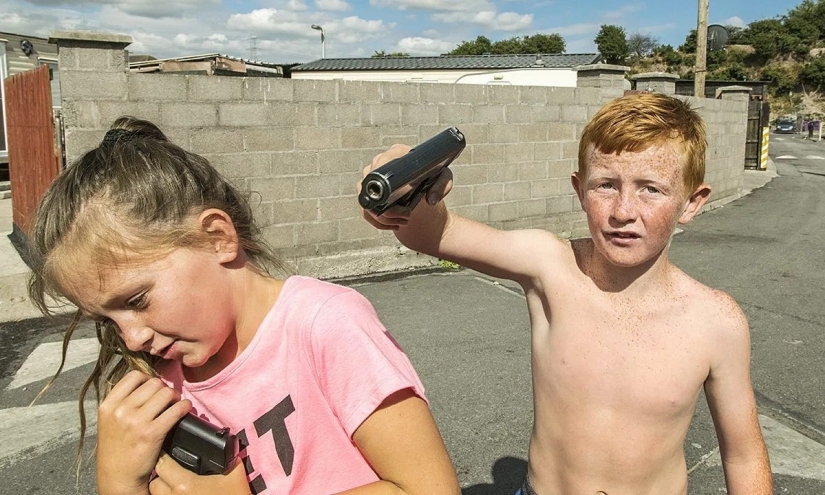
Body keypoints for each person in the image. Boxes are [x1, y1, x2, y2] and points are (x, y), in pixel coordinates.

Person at [360, 93, 772, 495]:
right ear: (579, 190)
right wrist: (405, 192)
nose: (623, 211)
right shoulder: (550, 266)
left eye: (651, 189)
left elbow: (743, 456)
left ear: (692, 202)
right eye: (605, 185)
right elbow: (431, 232)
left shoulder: (717, 321)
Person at [28, 116, 460, 495]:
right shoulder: (159, 385)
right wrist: (120, 483)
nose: (132, 338)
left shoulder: (324, 325)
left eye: (137, 299)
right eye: (107, 320)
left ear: (217, 237)